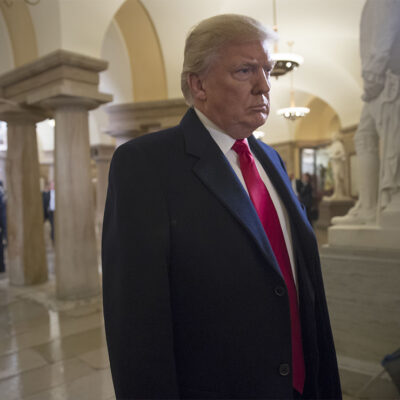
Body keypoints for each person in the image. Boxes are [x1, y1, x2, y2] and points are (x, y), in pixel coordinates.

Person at [102, 14, 341, 400]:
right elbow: (137, 325)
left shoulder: (270, 159)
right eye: (245, 70)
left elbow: (299, 283)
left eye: (267, 70)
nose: (264, 86)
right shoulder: (145, 165)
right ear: (198, 84)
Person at [332, 0, 400, 225]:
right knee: (364, 137)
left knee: (385, 140)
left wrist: (372, 78)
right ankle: (369, 206)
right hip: (382, 81)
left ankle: (379, 205)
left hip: (386, 81)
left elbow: (383, 35)